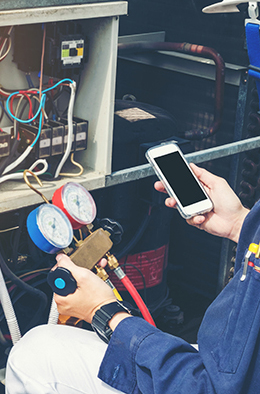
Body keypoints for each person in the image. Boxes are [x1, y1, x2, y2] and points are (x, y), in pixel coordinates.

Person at [5, 163, 260, 394]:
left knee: (31, 356)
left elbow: (210, 388)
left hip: (208, 382)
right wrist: (240, 224)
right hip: (224, 364)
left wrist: (106, 313)